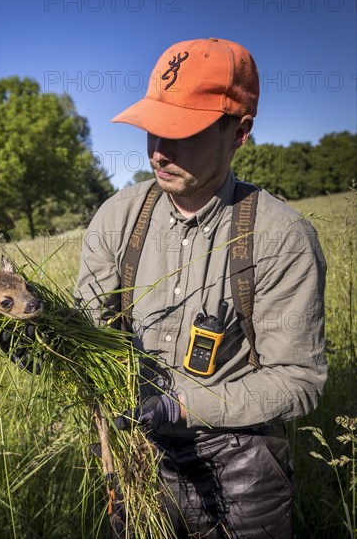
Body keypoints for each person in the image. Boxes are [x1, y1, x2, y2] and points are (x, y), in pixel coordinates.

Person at [74, 38, 327, 538]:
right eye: (153, 128)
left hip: (240, 470)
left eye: (182, 131)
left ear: (240, 132)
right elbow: (89, 329)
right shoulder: (116, 217)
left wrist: (181, 405)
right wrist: (47, 341)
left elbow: (299, 380)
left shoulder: (280, 237)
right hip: (134, 458)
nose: (159, 150)